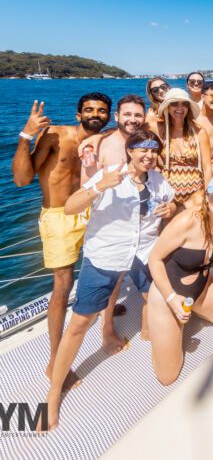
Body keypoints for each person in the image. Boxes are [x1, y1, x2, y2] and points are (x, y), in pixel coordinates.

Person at [43, 129, 176, 431]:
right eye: (143, 149)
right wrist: (98, 187)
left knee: (155, 299)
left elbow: (170, 203)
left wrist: (173, 208)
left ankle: (153, 340)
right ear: (130, 151)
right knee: (79, 323)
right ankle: (53, 392)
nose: (149, 155)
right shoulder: (109, 174)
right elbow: (70, 206)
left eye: (154, 150)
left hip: (142, 255)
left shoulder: (158, 181)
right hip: (105, 257)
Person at [12, 93, 111, 390]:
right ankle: (56, 358)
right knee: (63, 284)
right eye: (90, 110)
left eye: (102, 110)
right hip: (59, 216)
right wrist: (26, 135)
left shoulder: (105, 141)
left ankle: (106, 309)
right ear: (78, 114)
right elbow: (20, 179)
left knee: (104, 264)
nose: (96, 114)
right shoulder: (56, 135)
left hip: (92, 210)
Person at [147, 174, 213, 385]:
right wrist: (171, 299)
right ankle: (153, 320)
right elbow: (154, 259)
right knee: (168, 376)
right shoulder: (188, 221)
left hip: (199, 291)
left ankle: (184, 315)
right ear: (206, 197)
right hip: (168, 294)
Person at [78, 94, 148, 340]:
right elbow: (85, 187)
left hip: (138, 220)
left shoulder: (143, 141)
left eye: (138, 115)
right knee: (113, 276)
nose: (132, 119)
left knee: (122, 276)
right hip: (110, 223)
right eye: (127, 114)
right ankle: (106, 328)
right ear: (117, 116)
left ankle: (109, 318)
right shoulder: (99, 145)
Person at [155, 88, 212, 208]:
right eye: (174, 104)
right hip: (167, 196)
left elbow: (207, 168)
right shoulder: (159, 130)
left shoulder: (199, 132)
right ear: (167, 108)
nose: (180, 108)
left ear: (188, 108)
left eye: (184, 104)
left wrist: (207, 196)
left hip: (195, 196)